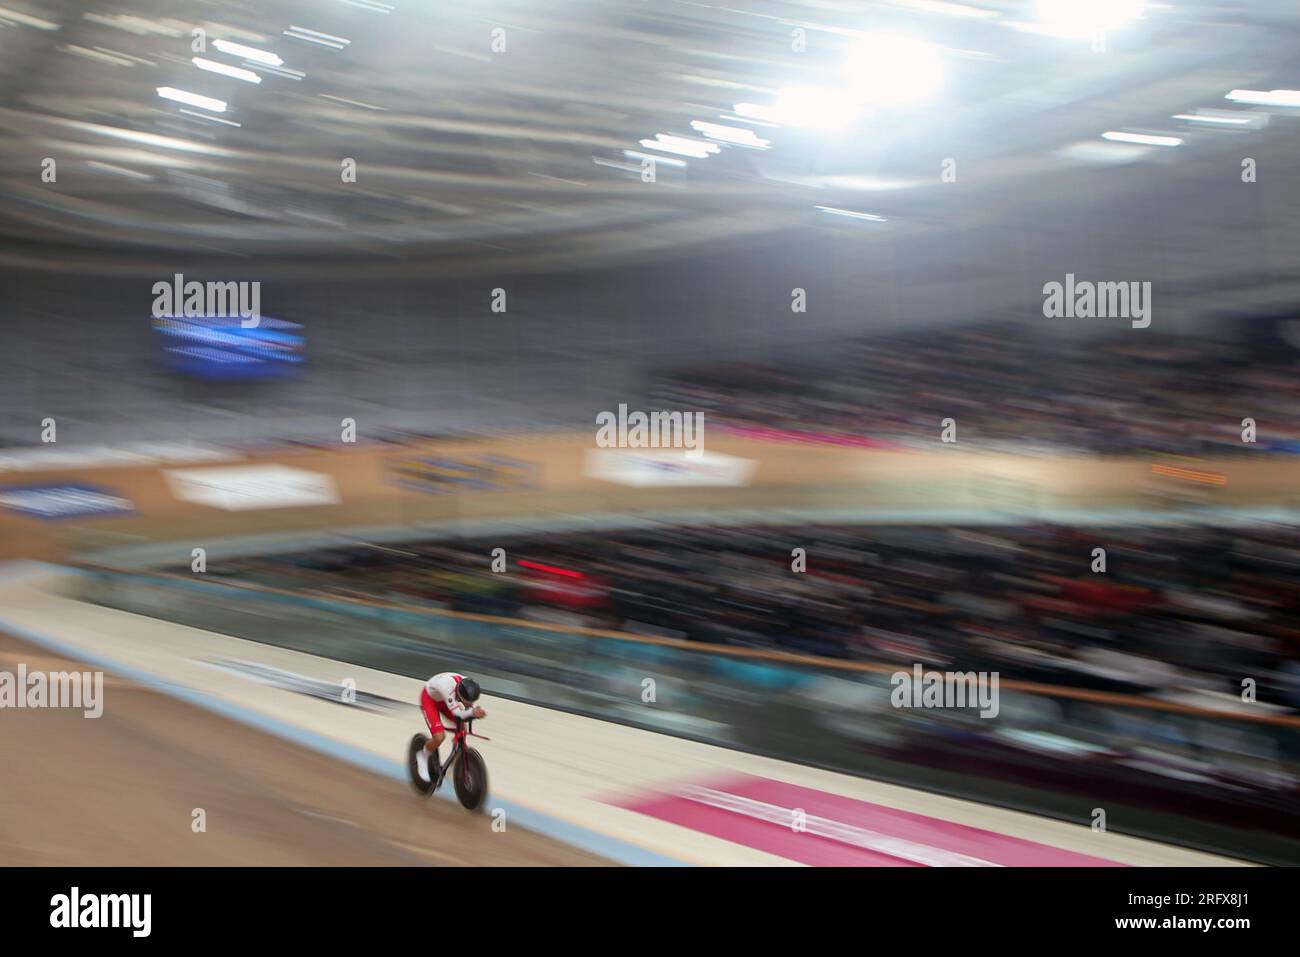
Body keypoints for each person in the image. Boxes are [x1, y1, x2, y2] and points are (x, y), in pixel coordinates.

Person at [415, 672, 485, 786]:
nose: (469, 703)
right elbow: (458, 713)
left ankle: (455, 761)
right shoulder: (447, 686)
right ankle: (422, 756)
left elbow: (466, 709)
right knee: (439, 737)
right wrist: (472, 712)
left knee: (462, 727)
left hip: (445, 700)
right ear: (460, 694)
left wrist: (473, 711)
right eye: (466, 700)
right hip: (430, 700)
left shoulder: (467, 686)